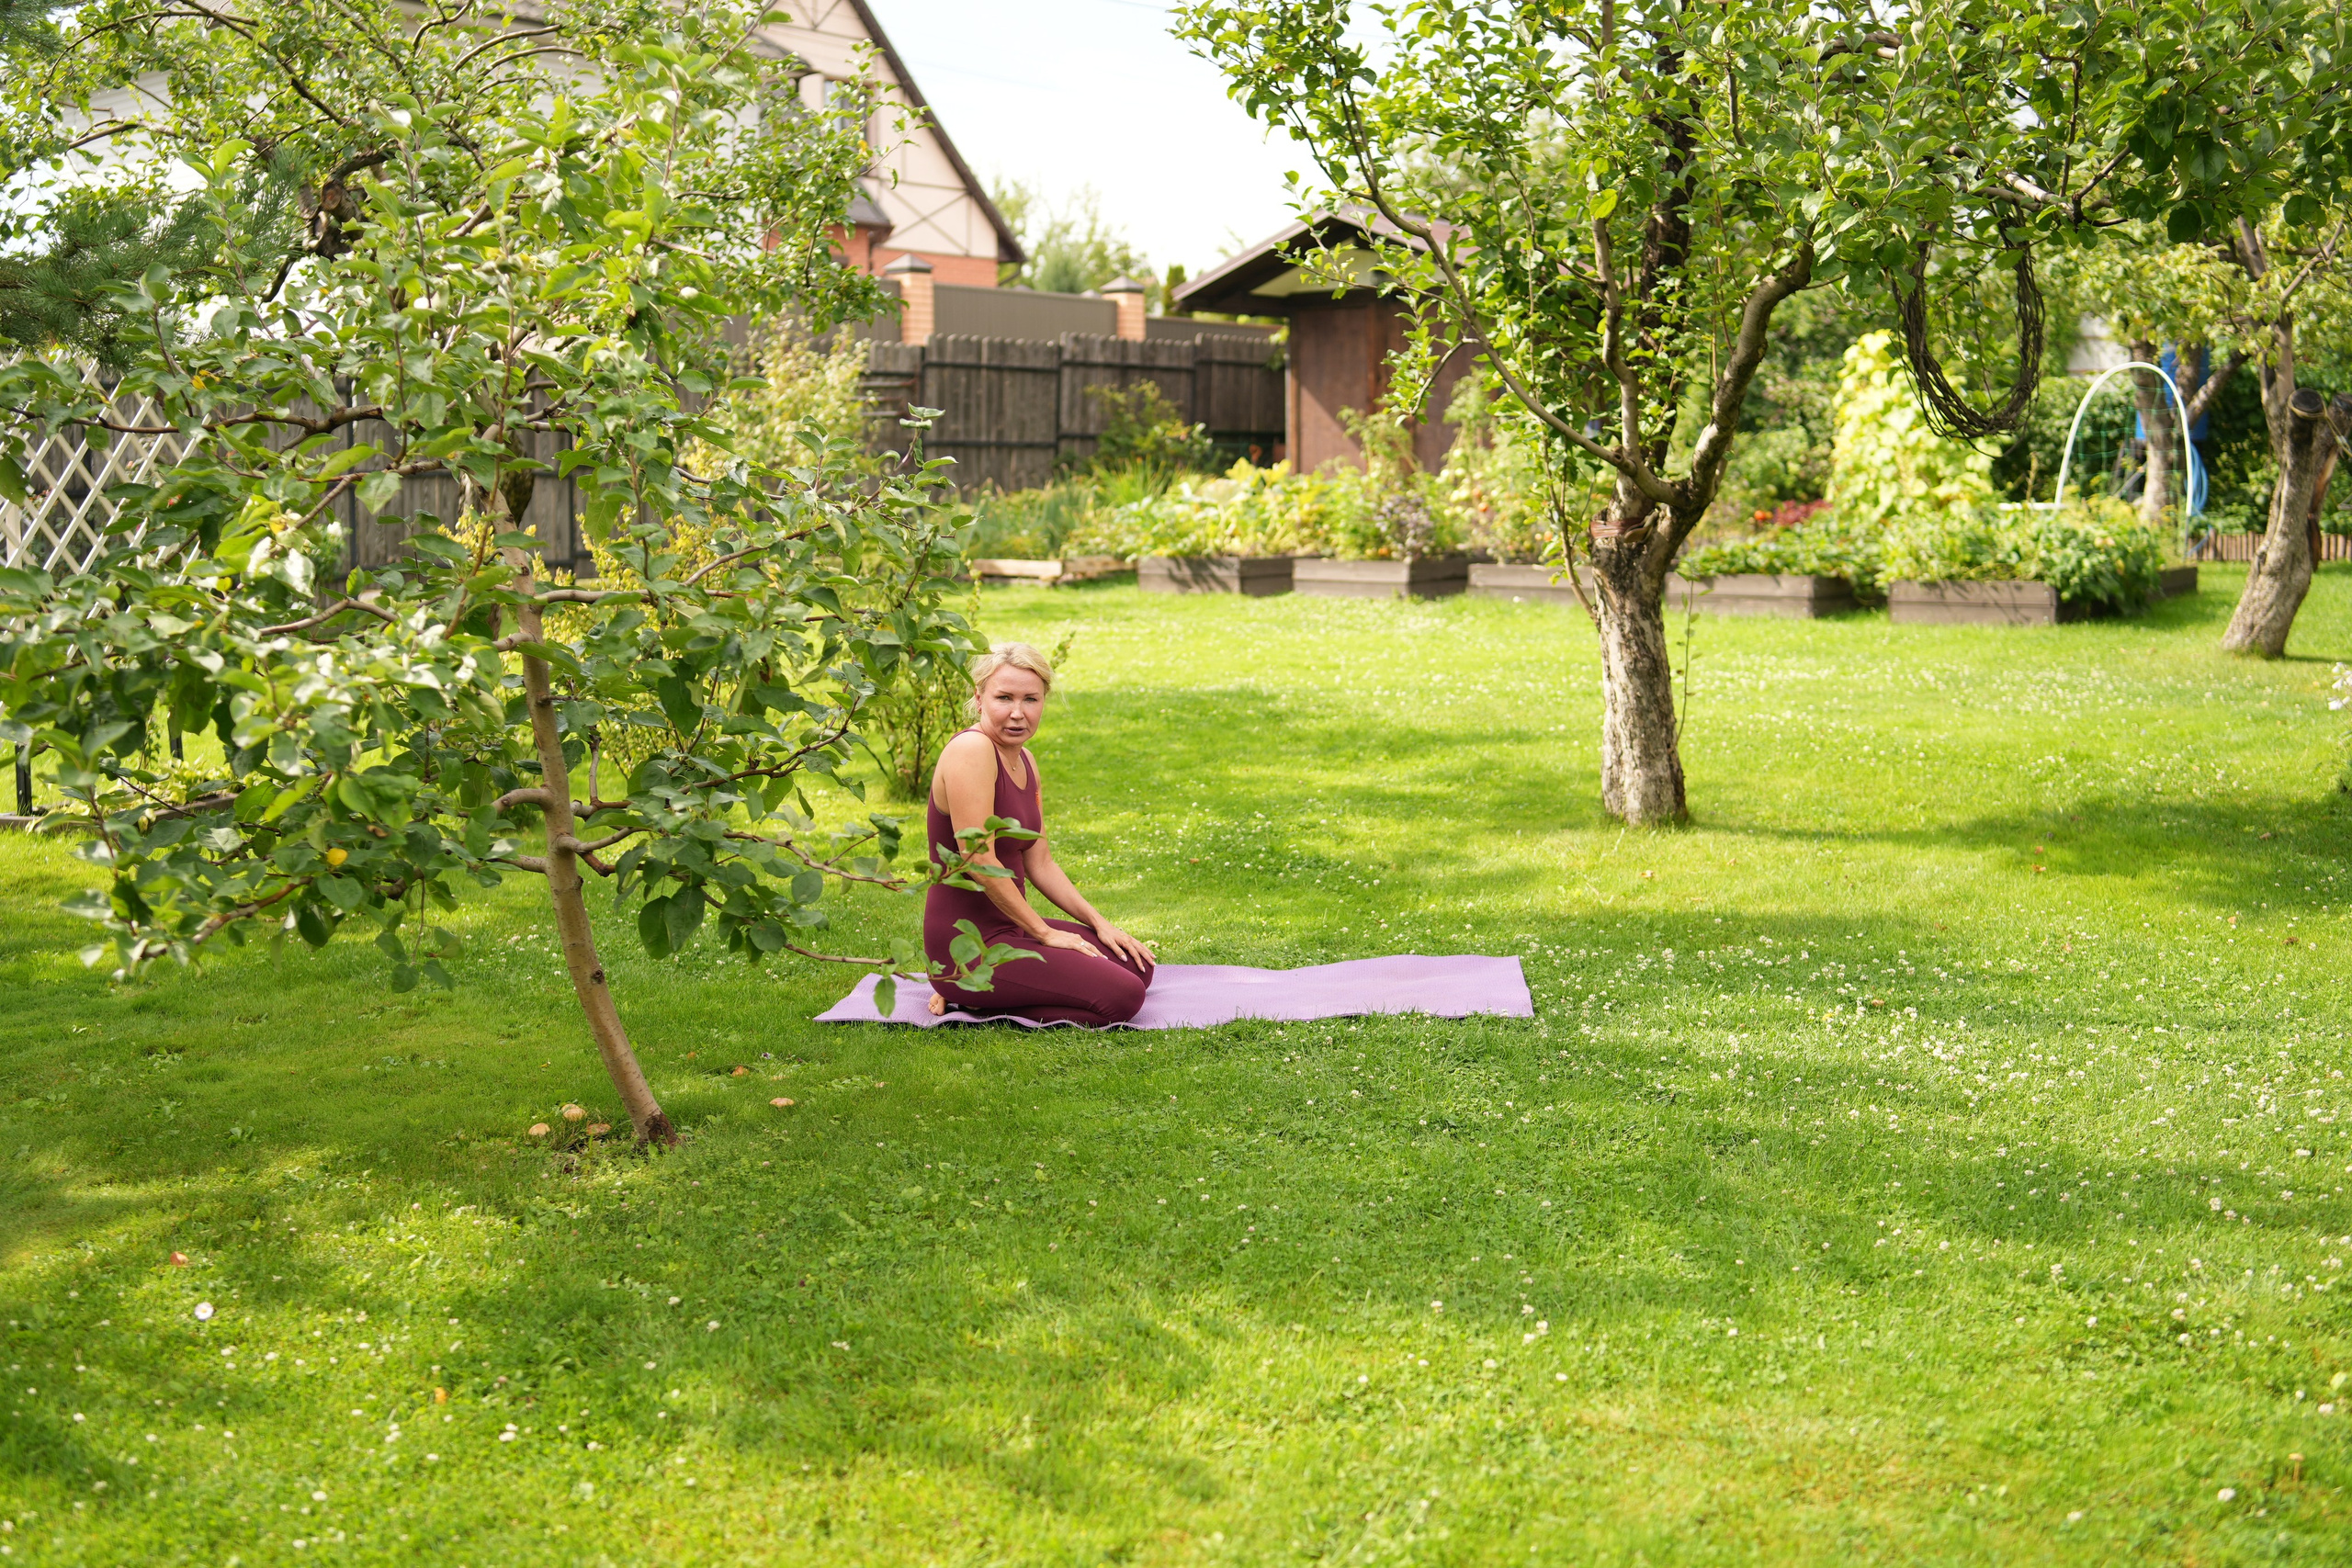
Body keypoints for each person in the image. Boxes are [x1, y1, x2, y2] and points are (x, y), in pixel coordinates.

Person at [922, 641, 1155, 1024]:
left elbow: (1040, 862)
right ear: (979, 698)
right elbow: (978, 860)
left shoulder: (1024, 758)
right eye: (1004, 698)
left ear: (1043, 700)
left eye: (1030, 699)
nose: (1017, 714)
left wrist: (1101, 924)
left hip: (1012, 927)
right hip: (966, 944)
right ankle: (967, 992)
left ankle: (984, 992)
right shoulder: (972, 751)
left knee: (1137, 965)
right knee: (1122, 997)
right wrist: (1044, 932)